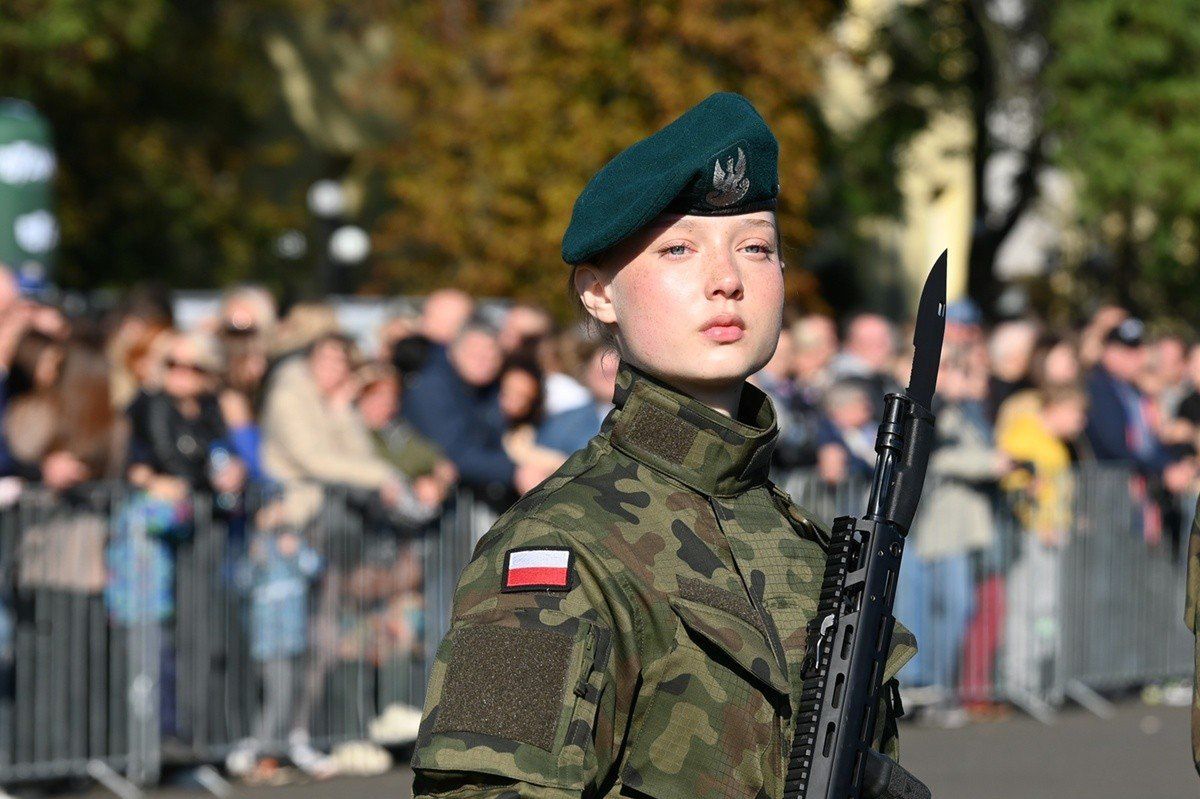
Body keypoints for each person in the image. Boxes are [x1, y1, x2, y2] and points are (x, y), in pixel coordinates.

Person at [411, 92, 914, 799]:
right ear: (598, 295)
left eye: (756, 246)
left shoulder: (799, 543)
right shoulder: (560, 547)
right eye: (679, 248)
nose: (727, 280)